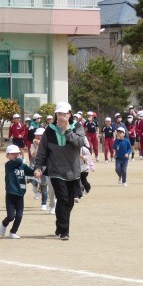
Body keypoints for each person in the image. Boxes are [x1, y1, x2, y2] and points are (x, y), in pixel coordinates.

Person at [33, 101, 85, 241]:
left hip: (73, 170)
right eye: (59, 114)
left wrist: (67, 130)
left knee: (70, 202)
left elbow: (80, 143)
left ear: (70, 114)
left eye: (64, 113)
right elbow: (42, 150)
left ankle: (60, 225)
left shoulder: (77, 127)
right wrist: (38, 167)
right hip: (55, 170)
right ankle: (64, 231)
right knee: (62, 200)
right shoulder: (49, 129)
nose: (61, 116)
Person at [0, 144, 35, 239]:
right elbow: (18, 161)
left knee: (19, 216)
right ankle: (4, 223)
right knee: (11, 216)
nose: (16, 155)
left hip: (20, 194)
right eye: (13, 154)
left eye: (17, 153)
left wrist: (38, 172)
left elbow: (31, 172)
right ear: (7, 156)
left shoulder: (22, 166)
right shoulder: (8, 165)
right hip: (11, 193)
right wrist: (21, 157)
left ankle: (13, 232)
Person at [29, 127, 48, 210]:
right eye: (37, 135)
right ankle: (37, 190)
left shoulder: (48, 144)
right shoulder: (32, 145)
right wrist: (37, 146)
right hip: (34, 165)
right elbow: (33, 155)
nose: (38, 137)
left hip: (44, 166)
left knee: (44, 184)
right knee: (33, 181)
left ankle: (44, 203)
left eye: (40, 135)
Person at [76, 136, 95, 202]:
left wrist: (82, 157)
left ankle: (87, 187)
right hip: (77, 168)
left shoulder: (84, 149)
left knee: (83, 180)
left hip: (84, 169)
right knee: (77, 181)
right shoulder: (73, 149)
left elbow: (89, 157)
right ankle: (79, 195)